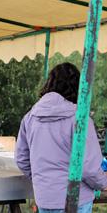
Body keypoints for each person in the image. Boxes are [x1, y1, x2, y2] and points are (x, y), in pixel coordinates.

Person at [15, 62, 107, 213]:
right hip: (76, 201)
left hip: (44, 198)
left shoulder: (30, 117)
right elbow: (90, 168)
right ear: (77, 87)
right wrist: (104, 182)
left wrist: (43, 180)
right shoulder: (80, 119)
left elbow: (21, 159)